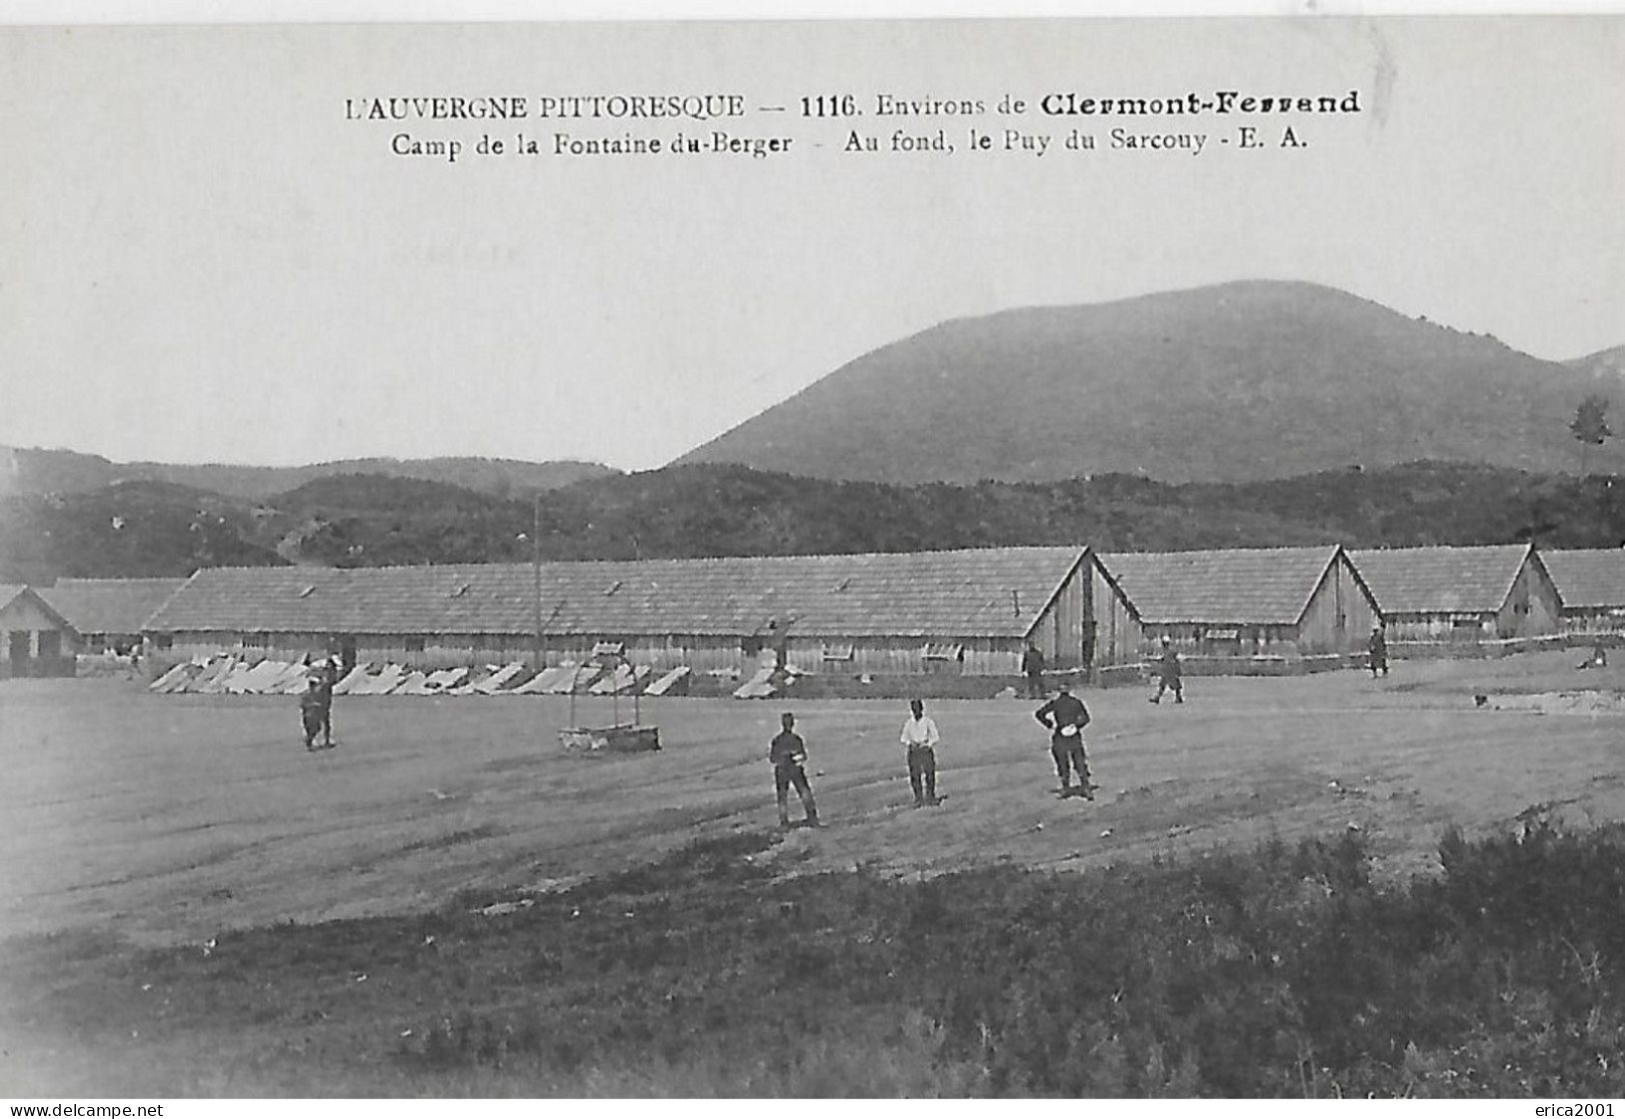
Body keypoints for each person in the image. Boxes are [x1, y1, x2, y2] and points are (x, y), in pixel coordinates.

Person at [1035, 682, 1094, 798]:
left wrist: (1049, 724)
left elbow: (1039, 714)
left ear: (1059, 691)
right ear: (1070, 690)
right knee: (1079, 760)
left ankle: (1065, 788)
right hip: (1074, 734)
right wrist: (1076, 726)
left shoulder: (1056, 703)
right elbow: (1086, 718)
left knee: (1062, 761)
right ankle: (1085, 787)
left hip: (1060, 734)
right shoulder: (1076, 702)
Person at [769, 712, 819, 829]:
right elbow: (803, 756)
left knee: (782, 797)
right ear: (792, 724)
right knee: (805, 793)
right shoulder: (796, 739)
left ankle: (784, 822)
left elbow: (772, 758)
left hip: (781, 770)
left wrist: (782, 758)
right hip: (794, 769)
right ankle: (812, 818)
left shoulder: (777, 740)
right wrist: (795, 757)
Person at [899, 698, 941, 807]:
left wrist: (927, 744)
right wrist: (910, 743)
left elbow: (935, 736)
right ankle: (918, 798)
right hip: (914, 751)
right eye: (914, 710)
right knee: (915, 776)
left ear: (922, 709)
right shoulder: (909, 723)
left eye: (917, 709)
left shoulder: (928, 722)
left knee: (930, 775)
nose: (915, 712)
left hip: (925, 750)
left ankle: (930, 797)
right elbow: (903, 737)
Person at [1150, 637, 1183, 704]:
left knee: (1174, 684)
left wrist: (1176, 666)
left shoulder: (1171, 650)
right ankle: (1158, 697)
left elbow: (1178, 658)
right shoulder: (1166, 651)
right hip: (1168, 670)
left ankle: (1178, 698)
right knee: (1164, 684)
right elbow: (1165, 658)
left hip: (1171, 670)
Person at [300, 677, 329, 751]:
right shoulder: (307, 693)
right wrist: (314, 704)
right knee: (312, 729)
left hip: (314, 714)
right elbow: (303, 704)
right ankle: (309, 742)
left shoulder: (316, 693)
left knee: (317, 728)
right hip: (309, 714)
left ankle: (309, 742)